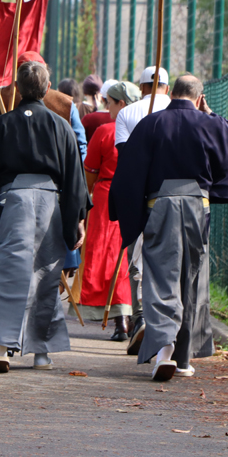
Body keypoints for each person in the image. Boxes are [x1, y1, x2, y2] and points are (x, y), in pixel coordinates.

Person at [109, 74, 228, 381]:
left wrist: (129, 213)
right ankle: (183, 359)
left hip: (160, 205)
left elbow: (128, 170)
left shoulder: (152, 123)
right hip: (199, 205)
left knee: (161, 276)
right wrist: (211, 115)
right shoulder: (209, 124)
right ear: (199, 98)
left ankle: (164, 352)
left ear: (171, 94)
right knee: (193, 277)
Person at [0, 62, 90, 373]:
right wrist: (76, 218)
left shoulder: (3, 124)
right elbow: (74, 176)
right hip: (50, 203)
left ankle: (0, 346)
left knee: (8, 270)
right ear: (47, 88)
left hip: (12, 201)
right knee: (46, 274)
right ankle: (41, 352)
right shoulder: (60, 125)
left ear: (19, 90)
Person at [112, 66, 171, 355]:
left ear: (143, 86)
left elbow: (125, 159)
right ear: (168, 88)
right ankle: (168, 328)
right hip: (179, 195)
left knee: (139, 260)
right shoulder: (182, 110)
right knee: (172, 264)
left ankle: (143, 318)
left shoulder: (127, 113)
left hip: (141, 197)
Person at [78, 82, 142, 341]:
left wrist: (89, 196)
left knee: (108, 256)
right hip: (136, 198)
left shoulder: (105, 132)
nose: (106, 106)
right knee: (129, 257)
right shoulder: (144, 131)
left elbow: (89, 172)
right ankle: (129, 318)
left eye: (110, 102)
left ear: (122, 105)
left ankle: (120, 321)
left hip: (106, 199)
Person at [114, 66, 171, 151]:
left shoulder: (125, 112)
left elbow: (123, 150)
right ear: (167, 89)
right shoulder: (179, 111)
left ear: (142, 87)